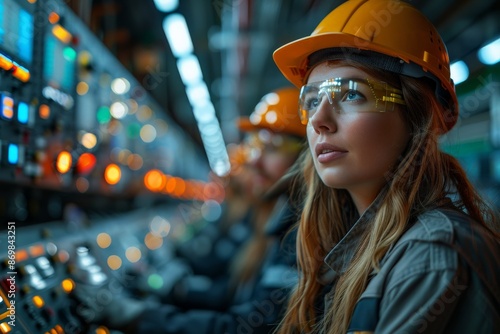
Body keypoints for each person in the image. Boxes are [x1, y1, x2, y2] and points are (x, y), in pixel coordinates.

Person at [270, 0, 500, 333]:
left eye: (351, 95)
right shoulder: (350, 245)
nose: (319, 120)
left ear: (416, 118)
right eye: (312, 100)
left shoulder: (433, 257)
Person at [72, 87, 307, 334]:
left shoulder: (298, 236)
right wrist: (174, 287)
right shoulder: (273, 221)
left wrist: (141, 316)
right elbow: (229, 291)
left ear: (307, 157)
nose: (253, 162)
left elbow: (247, 327)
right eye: (255, 145)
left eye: (274, 146)